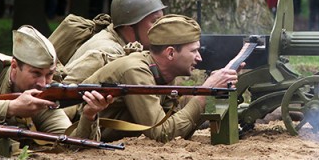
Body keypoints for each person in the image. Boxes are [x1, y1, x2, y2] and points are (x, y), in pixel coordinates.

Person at [81, 14, 241, 143]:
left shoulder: (161, 70)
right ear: (170, 53)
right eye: (194, 51)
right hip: (79, 130)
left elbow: (174, 116)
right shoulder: (137, 71)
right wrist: (204, 93)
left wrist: (215, 87)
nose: (199, 58)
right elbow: (161, 134)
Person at [0, 26, 111, 142]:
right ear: (14, 66)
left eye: (49, 74)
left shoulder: (45, 97)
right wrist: (12, 107)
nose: (43, 83)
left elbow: (69, 144)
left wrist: (89, 116)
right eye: (36, 73)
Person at [62, 0, 167, 85]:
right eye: (154, 21)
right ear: (130, 26)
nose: (161, 27)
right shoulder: (108, 52)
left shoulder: (120, 40)